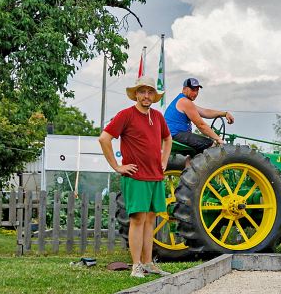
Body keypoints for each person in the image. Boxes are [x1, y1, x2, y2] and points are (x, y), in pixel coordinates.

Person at [99, 76, 173, 278]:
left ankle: (148, 263)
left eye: (150, 92)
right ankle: (136, 266)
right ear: (136, 95)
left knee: (150, 219)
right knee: (138, 219)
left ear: (153, 96)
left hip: (155, 175)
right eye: (142, 92)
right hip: (136, 176)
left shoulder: (157, 117)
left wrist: (164, 161)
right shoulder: (126, 115)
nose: (146, 96)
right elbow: (104, 138)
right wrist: (117, 166)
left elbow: (168, 138)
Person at [164, 77, 235, 153]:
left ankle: (190, 164)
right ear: (184, 89)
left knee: (195, 153)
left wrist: (224, 114)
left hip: (174, 135)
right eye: (192, 90)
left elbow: (205, 112)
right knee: (211, 144)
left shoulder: (183, 101)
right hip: (175, 135)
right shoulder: (185, 102)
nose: (195, 93)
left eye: (197, 90)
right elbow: (201, 125)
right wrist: (218, 139)